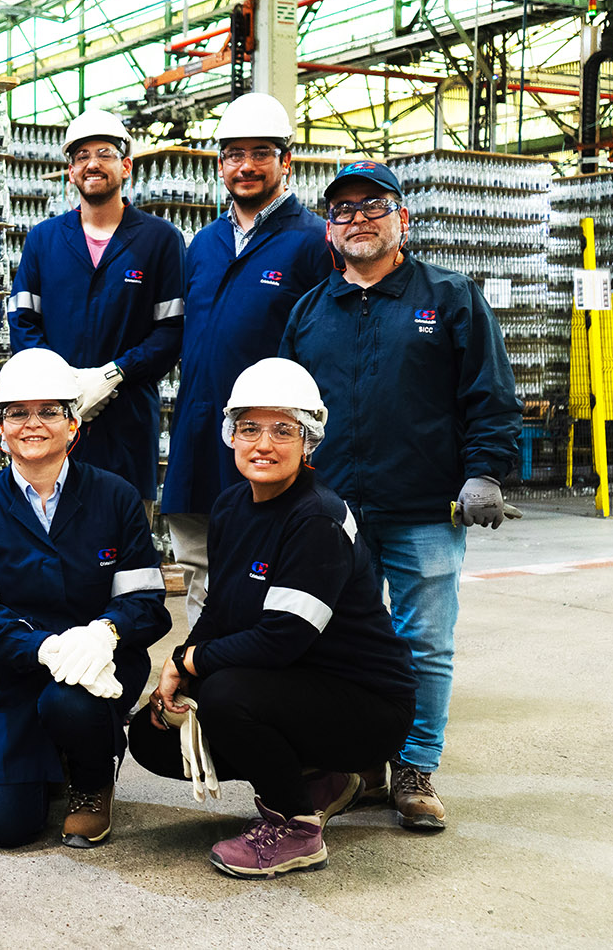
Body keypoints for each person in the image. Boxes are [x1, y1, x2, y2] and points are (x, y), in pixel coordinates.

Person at [281, 159, 522, 831]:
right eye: (343, 211)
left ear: (402, 219)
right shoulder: (309, 310)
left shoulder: (449, 296)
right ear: (329, 230)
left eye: (372, 206)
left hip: (422, 506)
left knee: (424, 643)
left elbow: (491, 394)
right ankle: (355, 759)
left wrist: (486, 471)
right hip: (332, 511)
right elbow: (288, 413)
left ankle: (414, 768)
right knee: (334, 641)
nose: (357, 219)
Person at [129, 358, 416, 878]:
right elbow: (221, 609)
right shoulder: (233, 505)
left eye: (284, 430)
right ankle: (320, 779)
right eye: (249, 428)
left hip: (366, 705)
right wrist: (176, 665)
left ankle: (297, 827)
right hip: (298, 687)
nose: (264, 443)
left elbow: (282, 640)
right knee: (152, 734)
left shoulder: (317, 519)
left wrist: (195, 661)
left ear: (310, 440)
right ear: (230, 435)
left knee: (225, 696)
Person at [0, 348, 169, 849]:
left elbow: (148, 604)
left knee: (71, 702)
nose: (33, 424)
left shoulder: (115, 497)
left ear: (74, 424)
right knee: (6, 825)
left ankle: (91, 780)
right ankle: (52, 759)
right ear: (0, 428)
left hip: (102, 669)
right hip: (20, 670)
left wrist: (104, 633)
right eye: (18, 412)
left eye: (49, 411)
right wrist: (44, 648)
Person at [160, 93, 330, 625]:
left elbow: (323, 345)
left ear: (286, 161)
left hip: (271, 440)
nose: (247, 165)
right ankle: (202, 680)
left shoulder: (312, 241)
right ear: (219, 165)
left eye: (261, 152)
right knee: (200, 567)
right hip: (199, 430)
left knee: (269, 565)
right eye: (234, 154)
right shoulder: (204, 243)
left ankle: (257, 690)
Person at [7, 108, 184, 501]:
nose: (93, 164)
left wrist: (114, 374)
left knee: (126, 535)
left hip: (128, 418)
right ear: (70, 172)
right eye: (81, 156)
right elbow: (21, 321)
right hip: (52, 418)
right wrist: (59, 381)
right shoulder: (44, 239)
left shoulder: (160, 240)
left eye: (104, 153)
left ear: (126, 167)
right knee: (51, 526)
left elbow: (172, 331)